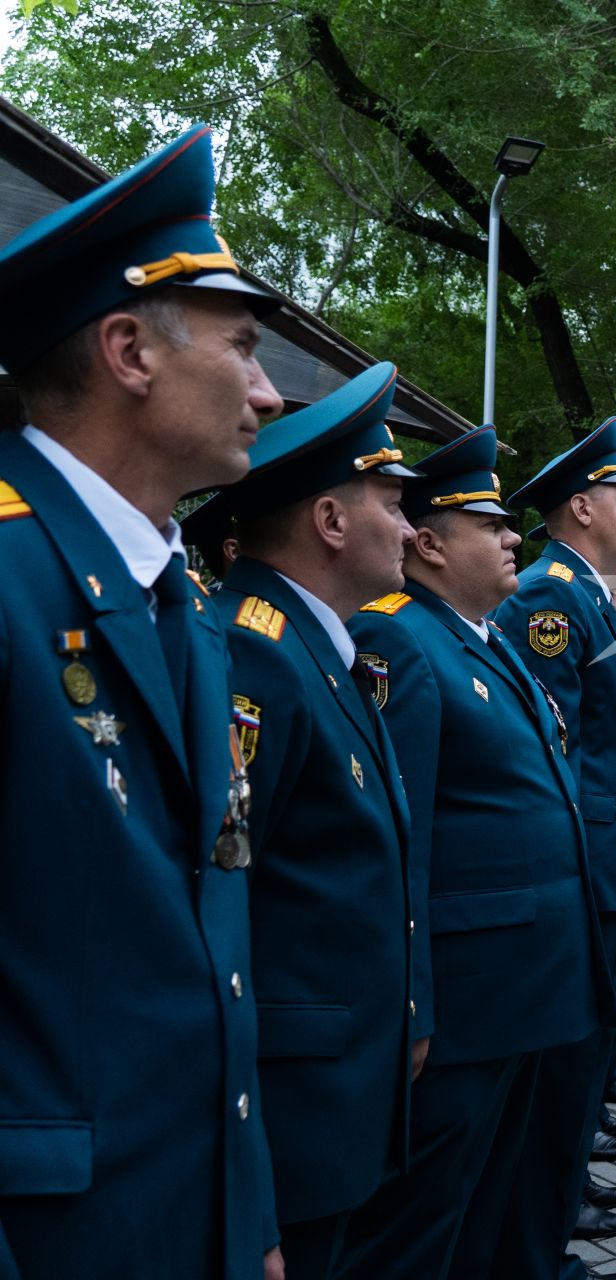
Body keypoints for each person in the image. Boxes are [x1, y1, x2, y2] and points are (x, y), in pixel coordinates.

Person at [0, 124, 286, 1280]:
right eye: (244, 347)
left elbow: (210, 943)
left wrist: (247, 1212)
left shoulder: (183, 596)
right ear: (129, 349)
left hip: (185, 1211)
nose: (269, 389)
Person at [337, 427, 616, 1278]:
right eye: (490, 525)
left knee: (495, 1198)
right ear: (428, 543)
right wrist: (415, 1003)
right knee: (425, 1223)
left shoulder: (481, 637)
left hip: (527, 981)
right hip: (467, 999)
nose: (512, 539)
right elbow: (402, 837)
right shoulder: (400, 641)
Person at [213, 362, 421, 1276]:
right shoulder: (257, 655)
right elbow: (228, 895)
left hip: (337, 1086)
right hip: (293, 1104)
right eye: (391, 501)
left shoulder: (315, 649)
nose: (413, 527)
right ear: (329, 522)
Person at [489, 418, 616, 1280]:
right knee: (564, 1070)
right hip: (595, 857)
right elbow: (559, 740)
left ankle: (559, 1208)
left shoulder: (586, 591)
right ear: (582, 507)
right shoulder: (554, 594)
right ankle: (540, 1240)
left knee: (587, 1055)